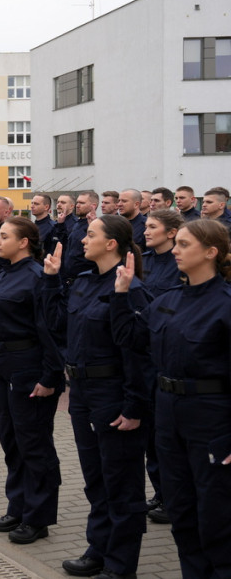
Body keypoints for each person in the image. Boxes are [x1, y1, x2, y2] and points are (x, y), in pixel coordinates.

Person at [111, 219, 231, 577]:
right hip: (168, 412)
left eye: (183, 244)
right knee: (181, 509)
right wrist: (122, 293)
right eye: (175, 243)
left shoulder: (225, 304)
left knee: (215, 514)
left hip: (211, 416)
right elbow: (130, 338)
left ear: (210, 252)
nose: (174, 250)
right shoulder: (168, 299)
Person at [43, 215, 150, 578]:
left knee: (121, 481)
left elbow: (137, 354)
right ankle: (99, 547)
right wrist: (51, 280)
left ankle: (121, 565)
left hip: (114, 393)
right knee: (96, 477)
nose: (82, 240)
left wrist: (135, 405)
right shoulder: (85, 282)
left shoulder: (129, 288)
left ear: (111, 244)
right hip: (84, 391)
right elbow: (58, 324)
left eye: (90, 235)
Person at [0, 216, 63, 545]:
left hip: (28, 366)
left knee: (34, 442)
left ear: (24, 242)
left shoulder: (37, 277)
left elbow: (50, 331)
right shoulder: (4, 273)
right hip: (2, 365)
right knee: (11, 440)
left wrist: (50, 376)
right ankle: (18, 504)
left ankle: (38, 517)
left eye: (5, 237)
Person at [139, 208, 185, 526]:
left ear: (171, 233)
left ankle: (175, 496)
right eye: (145, 226)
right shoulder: (143, 260)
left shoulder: (180, 264)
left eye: (152, 226)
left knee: (169, 436)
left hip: (168, 352)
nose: (145, 231)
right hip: (143, 353)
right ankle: (160, 491)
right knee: (151, 435)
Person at [60, 192, 98, 283]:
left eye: (82, 203)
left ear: (93, 206)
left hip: (85, 280)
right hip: (69, 280)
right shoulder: (77, 223)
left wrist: (94, 227)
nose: (77, 205)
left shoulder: (97, 226)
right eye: (77, 202)